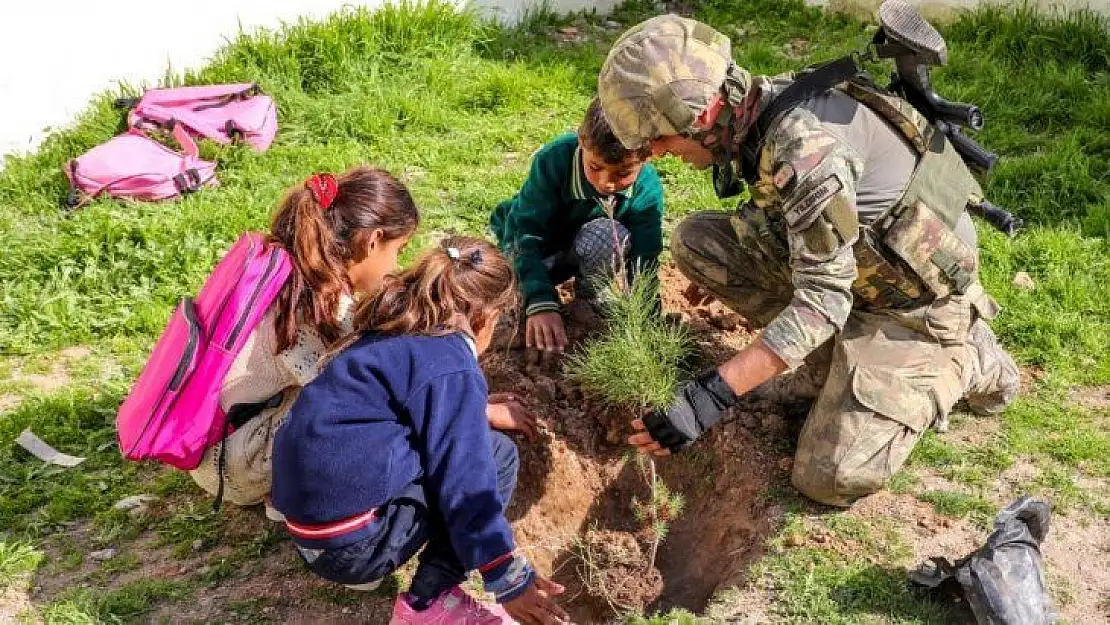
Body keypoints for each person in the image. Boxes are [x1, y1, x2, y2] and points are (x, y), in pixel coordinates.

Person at [598, 15, 1020, 507]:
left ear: (705, 115)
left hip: (914, 309)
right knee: (700, 243)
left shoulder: (806, 150)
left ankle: (969, 356)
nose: (656, 154)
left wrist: (709, 397)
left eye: (659, 139)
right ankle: (828, 364)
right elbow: (793, 219)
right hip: (856, 273)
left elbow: (823, 298)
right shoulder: (762, 111)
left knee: (831, 475)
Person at [190, 168, 535, 516]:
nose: (396, 264)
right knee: (373, 418)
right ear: (372, 241)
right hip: (235, 465)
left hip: (219, 437)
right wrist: (475, 411)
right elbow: (373, 400)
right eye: (397, 250)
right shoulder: (321, 309)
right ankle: (289, 501)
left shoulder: (288, 265)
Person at [271, 236, 569, 625]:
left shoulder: (396, 327)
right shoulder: (451, 366)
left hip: (307, 529)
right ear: (485, 317)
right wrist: (506, 576)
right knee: (497, 455)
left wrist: (472, 410)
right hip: (351, 548)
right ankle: (428, 605)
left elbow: (401, 409)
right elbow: (467, 481)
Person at [490, 96, 665, 354]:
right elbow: (522, 234)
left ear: (647, 157)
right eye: (595, 167)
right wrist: (539, 300)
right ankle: (524, 294)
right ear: (582, 141)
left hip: (579, 251)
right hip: (534, 249)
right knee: (508, 303)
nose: (606, 183)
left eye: (623, 174)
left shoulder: (647, 189)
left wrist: (647, 323)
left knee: (613, 234)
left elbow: (645, 260)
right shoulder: (554, 160)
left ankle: (589, 299)